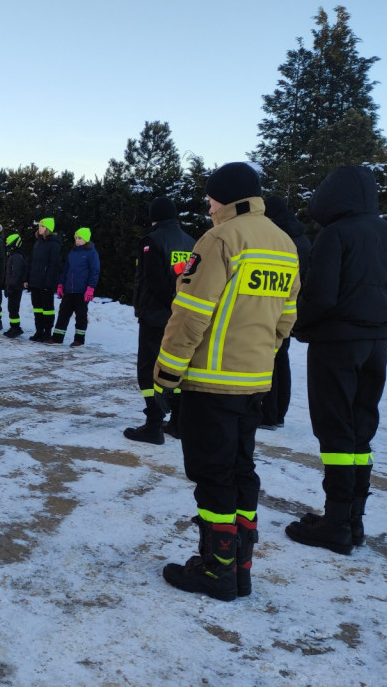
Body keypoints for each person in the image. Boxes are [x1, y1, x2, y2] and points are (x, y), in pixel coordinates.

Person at [154, 162, 299, 601]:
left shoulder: (220, 239)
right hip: (253, 381)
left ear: (224, 197)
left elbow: (191, 313)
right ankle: (240, 568)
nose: (209, 206)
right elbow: (286, 318)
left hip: (210, 382)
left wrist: (167, 372)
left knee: (213, 474)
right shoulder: (283, 242)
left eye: (210, 199)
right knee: (241, 471)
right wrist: (261, 357)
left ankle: (217, 570)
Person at [285, 165, 387, 555]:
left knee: (335, 430)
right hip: (377, 343)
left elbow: (320, 296)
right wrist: (376, 318)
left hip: (336, 344)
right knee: (361, 429)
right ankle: (354, 519)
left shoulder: (335, 234)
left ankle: (336, 523)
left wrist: (298, 325)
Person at [125, 197, 196, 444]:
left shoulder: (151, 241)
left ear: (154, 216)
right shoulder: (191, 242)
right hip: (180, 317)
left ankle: (153, 425)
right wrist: (179, 308)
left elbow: (154, 281)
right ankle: (177, 422)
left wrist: (168, 305)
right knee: (174, 368)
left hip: (155, 316)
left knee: (149, 370)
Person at [258, 195, 312, 429]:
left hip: (275, 306)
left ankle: (268, 414)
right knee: (282, 359)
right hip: (293, 306)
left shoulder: (278, 238)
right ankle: (279, 413)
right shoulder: (300, 237)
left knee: (269, 359)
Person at [51, 227, 100, 346]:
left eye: (80, 238)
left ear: (86, 239)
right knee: (63, 313)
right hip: (69, 290)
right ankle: (57, 338)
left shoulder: (92, 253)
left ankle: (79, 340)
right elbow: (66, 270)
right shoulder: (72, 252)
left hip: (82, 291)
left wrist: (90, 288)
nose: (77, 240)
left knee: (81, 316)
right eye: (76, 238)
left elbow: (95, 271)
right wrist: (61, 284)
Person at [25, 218, 62, 342]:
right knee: (37, 308)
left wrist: (49, 283)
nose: (40, 228)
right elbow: (31, 262)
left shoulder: (54, 245)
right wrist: (27, 279)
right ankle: (39, 331)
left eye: (42, 226)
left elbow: (54, 266)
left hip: (46, 283)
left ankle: (47, 332)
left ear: (48, 229)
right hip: (35, 282)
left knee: (47, 309)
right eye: (39, 226)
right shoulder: (37, 243)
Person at [3, 234, 27, 338]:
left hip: (15, 288)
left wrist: (11, 286)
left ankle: (16, 328)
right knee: (11, 308)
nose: (6, 244)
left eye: (8, 243)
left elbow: (16, 273)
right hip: (12, 287)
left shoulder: (17, 257)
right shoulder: (13, 256)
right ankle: (13, 327)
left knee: (13, 308)